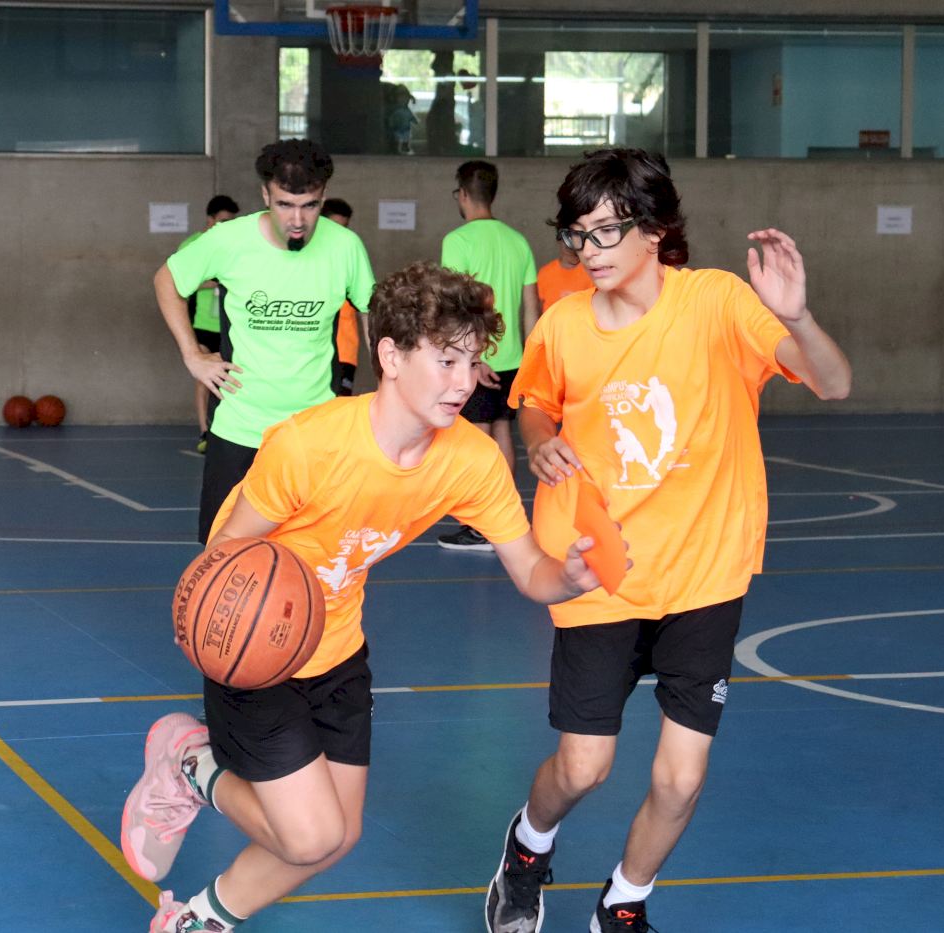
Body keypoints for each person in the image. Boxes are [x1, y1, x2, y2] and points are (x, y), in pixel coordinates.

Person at [121, 261, 624, 933]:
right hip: (259, 656)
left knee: (339, 836)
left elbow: (532, 570)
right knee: (309, 837)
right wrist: (229, 630)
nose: (463, 381)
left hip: (338, 654)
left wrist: (571, 576)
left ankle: (197, 918)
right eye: (445, 360)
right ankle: (192, 765)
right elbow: (222, 556)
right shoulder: (307, 445)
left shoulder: (471, 460)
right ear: (389, 356)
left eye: (472, 361)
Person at [484, 148, 852, 933]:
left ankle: (623, 901)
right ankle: (528, 845)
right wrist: (540, 440)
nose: (588, 250)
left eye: (605, 231)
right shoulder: (564, 324)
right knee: (583, 767)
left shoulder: (717, 303)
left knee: (680, 780)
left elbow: (833, 381)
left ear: (654, 230)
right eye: (576, 233)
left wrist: (795, 316)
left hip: (705, 575)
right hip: (600, 573)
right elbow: (535, 401)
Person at [154, 139, 375, 543]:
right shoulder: (228, 240)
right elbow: (167, 280)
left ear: (323, 196)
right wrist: (193, 354)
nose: (297, 219)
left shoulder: (346, 246)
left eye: (310, 205)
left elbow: (371, 310)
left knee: (309, 554)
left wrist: (390, 381)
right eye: (285, 205)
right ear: (265, 195)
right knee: (222, 555)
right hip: (240, 427)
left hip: (314, 432)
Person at [438, 159, 539, 552]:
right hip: (514, 359)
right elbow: (531, 309)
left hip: (478, 358)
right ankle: (500, 522)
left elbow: (455, 306)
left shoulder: (457, 241)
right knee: (501, 433)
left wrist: (474, 359)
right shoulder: (518, 242)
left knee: (476, 440)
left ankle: (483, 527)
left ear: (463, 194)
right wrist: (532, 361)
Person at [178, 195, 240, 453]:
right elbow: (181, 283)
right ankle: (205, 431)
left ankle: (226, 430)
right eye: (223, 221)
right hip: (202, 323)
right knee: (205, 379)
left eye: (231, 221)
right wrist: (215, 281)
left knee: (231, 379)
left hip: (230, 325)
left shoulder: (236, 244)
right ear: (210, 219)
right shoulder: (193, 245)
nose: (227, 226)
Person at [320, 197, 363, 396]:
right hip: (315, 352)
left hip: (345, 352)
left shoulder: (350, 256)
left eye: (344, 227)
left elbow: (367, 307)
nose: (340, 233)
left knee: (339, 407)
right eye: (334, 227)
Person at [536, 236, 591, 314]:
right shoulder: (545, 272)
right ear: (559, 241)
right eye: (565, 239)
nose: (568, 245)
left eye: (572, 240)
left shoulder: (590, 272)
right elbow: (538, 309)